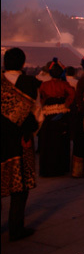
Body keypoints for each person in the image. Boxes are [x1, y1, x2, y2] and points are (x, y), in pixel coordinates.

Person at [1, 47, 41, 241]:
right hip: (21, 140)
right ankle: (16, 228)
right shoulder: (30, 83)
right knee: (20, 186)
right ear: (23, 64)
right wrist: (30, 131)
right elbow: (38, 114)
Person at [38, 58, 75, 176]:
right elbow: (72, 94)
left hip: (48, 114)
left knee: (47, 141)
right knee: (61, 141)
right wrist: (66, 104)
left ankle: (47, 168)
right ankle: (61, 167)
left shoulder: (44, 85)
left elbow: (41, 98)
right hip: (61, 114)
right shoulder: (64, 84)